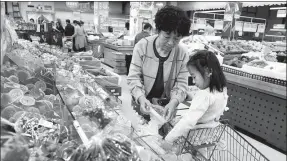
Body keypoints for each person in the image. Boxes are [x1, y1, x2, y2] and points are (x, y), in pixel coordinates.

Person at [127, 5, 191, 123]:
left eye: (177, 39)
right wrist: (141, 98)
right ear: (158, 31)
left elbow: (182, 84)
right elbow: (133, 77)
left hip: (165, 107)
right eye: (167, 36)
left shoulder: (182, 53)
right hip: (141, 104)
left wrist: (174, 102)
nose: (171, 43)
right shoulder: (142, 46)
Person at [161, 50, 228, 152]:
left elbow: (188, 120)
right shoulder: (221, 90)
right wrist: (193, 97)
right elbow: (210, 107)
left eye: (194, 77)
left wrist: (169, 139)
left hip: (193, 135)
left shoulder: (204, 95)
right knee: (200, 154)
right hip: (208, 134)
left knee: (171, 125)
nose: (193, 81)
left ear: (207, 71)